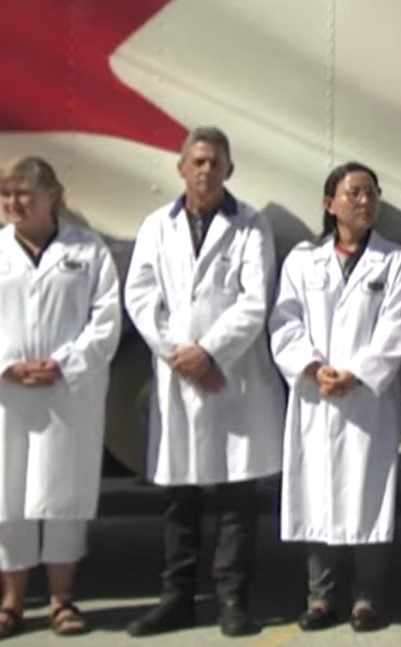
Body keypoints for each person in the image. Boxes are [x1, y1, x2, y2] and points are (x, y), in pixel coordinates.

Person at [123, 128, 285, 638]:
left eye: (215, 162)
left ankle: (232, 597)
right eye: (197, 162)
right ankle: (177, 597)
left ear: (229, 169)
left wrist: (210, 352)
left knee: (238, 496)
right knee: (181, 497)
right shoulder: (157, 226)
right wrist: (180, 353)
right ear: (181, 168)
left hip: (232, 376)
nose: (206, 170)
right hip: (180, 376)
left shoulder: (251, 225)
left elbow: (255, 300)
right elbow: (140, 297)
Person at [268, 162, 401, 634]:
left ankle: (367, 596)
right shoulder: (302, 261)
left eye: (371, 192)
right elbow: (284, 322)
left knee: (368, 496)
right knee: (316, 494)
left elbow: (394, 329)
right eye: (354, 193)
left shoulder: (393, 261)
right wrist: (313, 368)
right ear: (330, 203)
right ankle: (320, 595)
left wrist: (356, 374)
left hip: (366, 398)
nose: (365, 201)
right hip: (316, 395)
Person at [0, 158, 122, 638]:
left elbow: (106, 319)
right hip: (8, 393)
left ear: (52, 196)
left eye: (22, 193)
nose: (12, 203)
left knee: (63, 496)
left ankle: (61, 600)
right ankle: (11, 603)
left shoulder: (87, 250)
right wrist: (7, 364)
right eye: (6, 194)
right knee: (7, 497)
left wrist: (64, 363)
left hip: (67, 393)